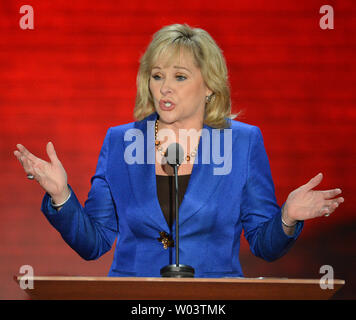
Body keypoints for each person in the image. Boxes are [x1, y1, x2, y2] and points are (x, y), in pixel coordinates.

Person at [14, 24, 344, 278]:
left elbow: (263, 245)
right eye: (157, 76)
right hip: (135, 301)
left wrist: (286, 217)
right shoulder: (121, 142)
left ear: (210, 84)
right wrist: (61, 196)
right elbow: (93, 243)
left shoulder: (241, 143)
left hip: (213, 303)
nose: (165, 88)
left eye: (180, 77)